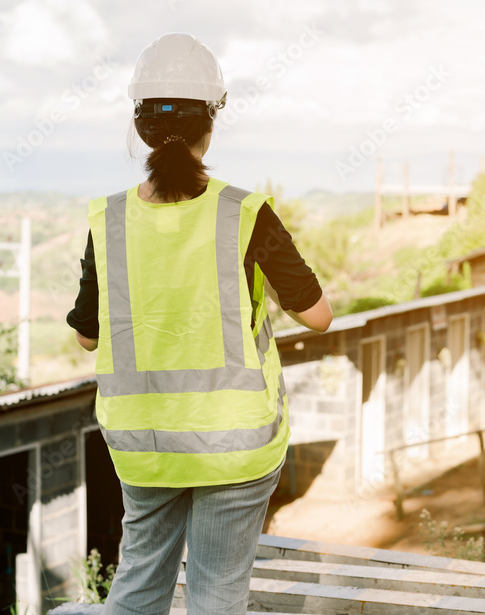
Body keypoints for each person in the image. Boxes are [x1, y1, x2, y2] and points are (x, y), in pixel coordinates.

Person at [66, 33, 332, 615]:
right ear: (211, 123)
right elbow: (318, 316)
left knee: (137, 588)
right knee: (217, 594)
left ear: (139, 127)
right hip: (235, 444)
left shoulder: (107, 219)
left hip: (146, 444)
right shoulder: (246, 212)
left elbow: (88, 335)